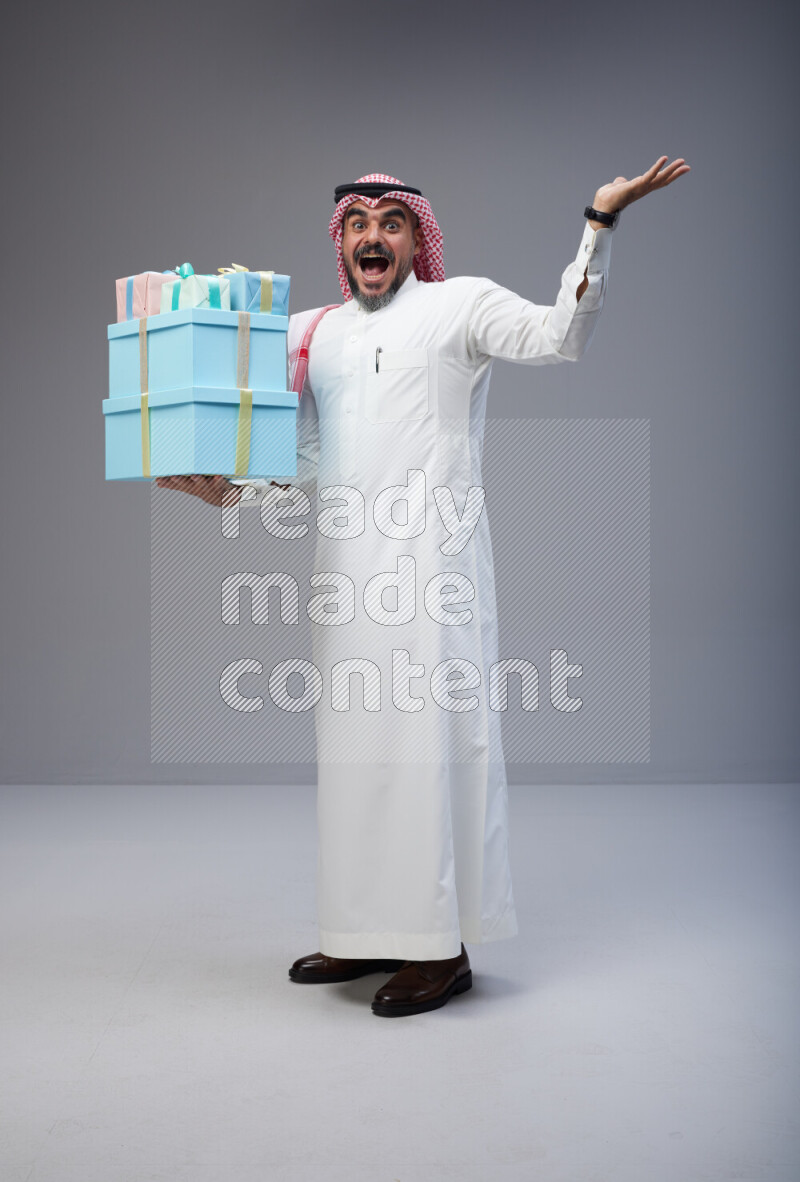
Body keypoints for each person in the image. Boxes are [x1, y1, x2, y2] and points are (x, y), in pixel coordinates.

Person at [157, 158, 690, 1018]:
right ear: (343, 243)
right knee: (356, 753)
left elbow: (563, 335)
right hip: (347, 576)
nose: (374, 236)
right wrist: (230, 490)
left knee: (428, 753)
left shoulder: (460, 306)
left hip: (435, 575)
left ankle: (439, 950)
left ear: (415, 238)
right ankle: (364, 929)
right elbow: (310, 462)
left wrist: (600, 221)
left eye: (390, 222)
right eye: (358, 224)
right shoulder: (317, 333)